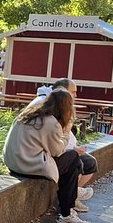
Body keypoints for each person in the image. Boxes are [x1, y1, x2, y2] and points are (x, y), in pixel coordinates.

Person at [3, 89, 89, 223]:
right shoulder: (51, 122)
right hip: (30, 167)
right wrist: (66, 131)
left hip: (13, 163)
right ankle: (67, 213)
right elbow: (57, 151)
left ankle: (72, 198)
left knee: (74, 162)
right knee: (73, 158)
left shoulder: (28, 114)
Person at [30, 78, 96, 209]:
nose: (75, 96)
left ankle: (72, 198)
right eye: (73, 92)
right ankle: (67, 209)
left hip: (32, 156)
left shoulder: (45, 107)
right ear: (62, 92)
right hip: (35, 159)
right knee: (75, 161)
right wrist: (72, 147)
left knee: (85, 161)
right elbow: (57, 148)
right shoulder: (48, 111)